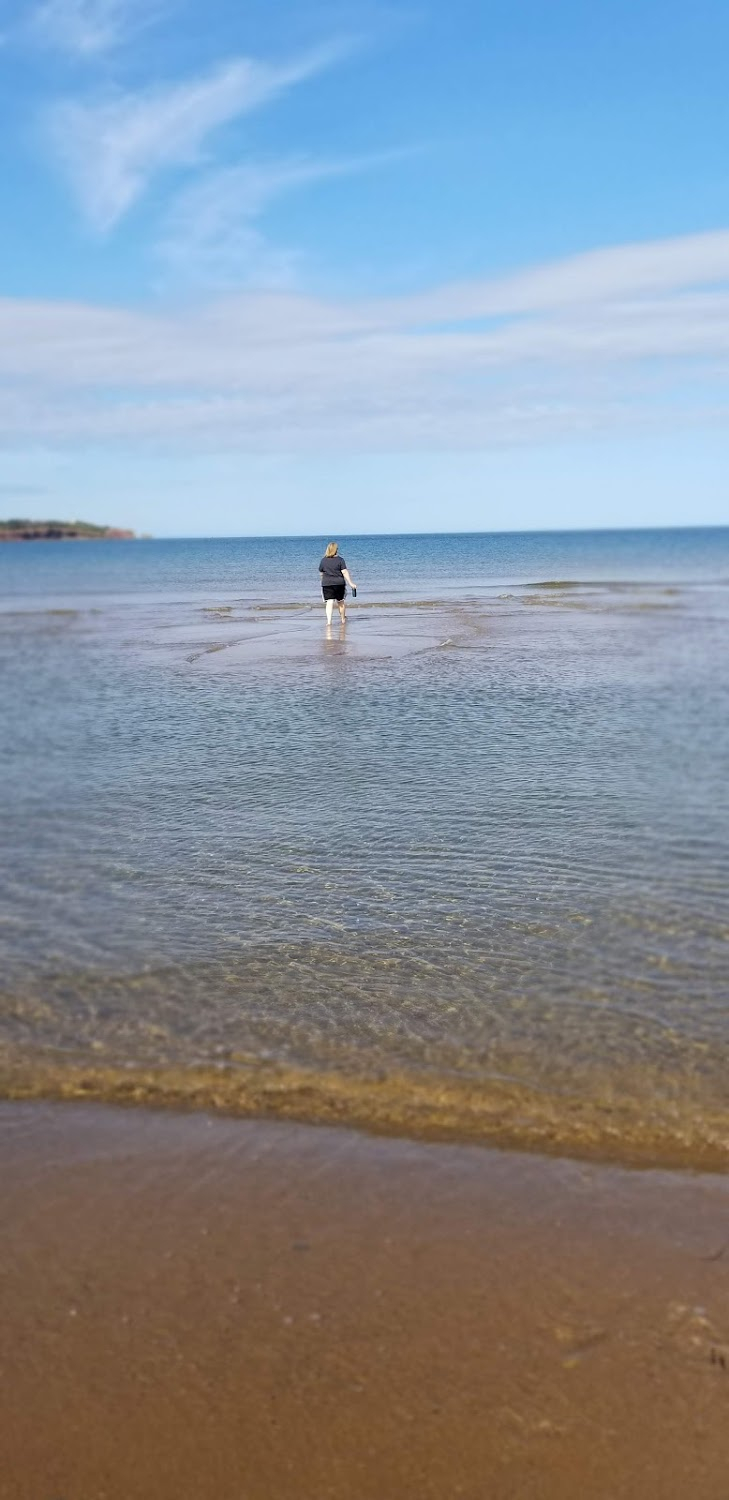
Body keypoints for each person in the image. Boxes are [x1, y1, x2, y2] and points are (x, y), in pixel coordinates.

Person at [318, 542, 356, 625]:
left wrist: (324, 580)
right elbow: (344, 572)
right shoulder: (340, 560)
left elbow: (321, 572)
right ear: (336, 550)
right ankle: (343, 619)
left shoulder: (323, 560)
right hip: (339, 583)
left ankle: (329, 622)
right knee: (340, 602)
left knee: (329, 602)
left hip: (327, 583)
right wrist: (351, 583)